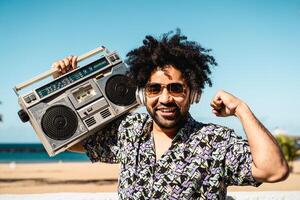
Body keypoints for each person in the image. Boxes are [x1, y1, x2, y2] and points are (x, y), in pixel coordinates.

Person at [52, 30, 289, 199]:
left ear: (193, 93)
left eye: (176, 88)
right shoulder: (130, 131)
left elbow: (274, 170)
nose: (165, 98)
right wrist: (66, 85)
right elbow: (68, 141)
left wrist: (241, 109)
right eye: (154, 89)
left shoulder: (215, 141)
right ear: (143, 93)